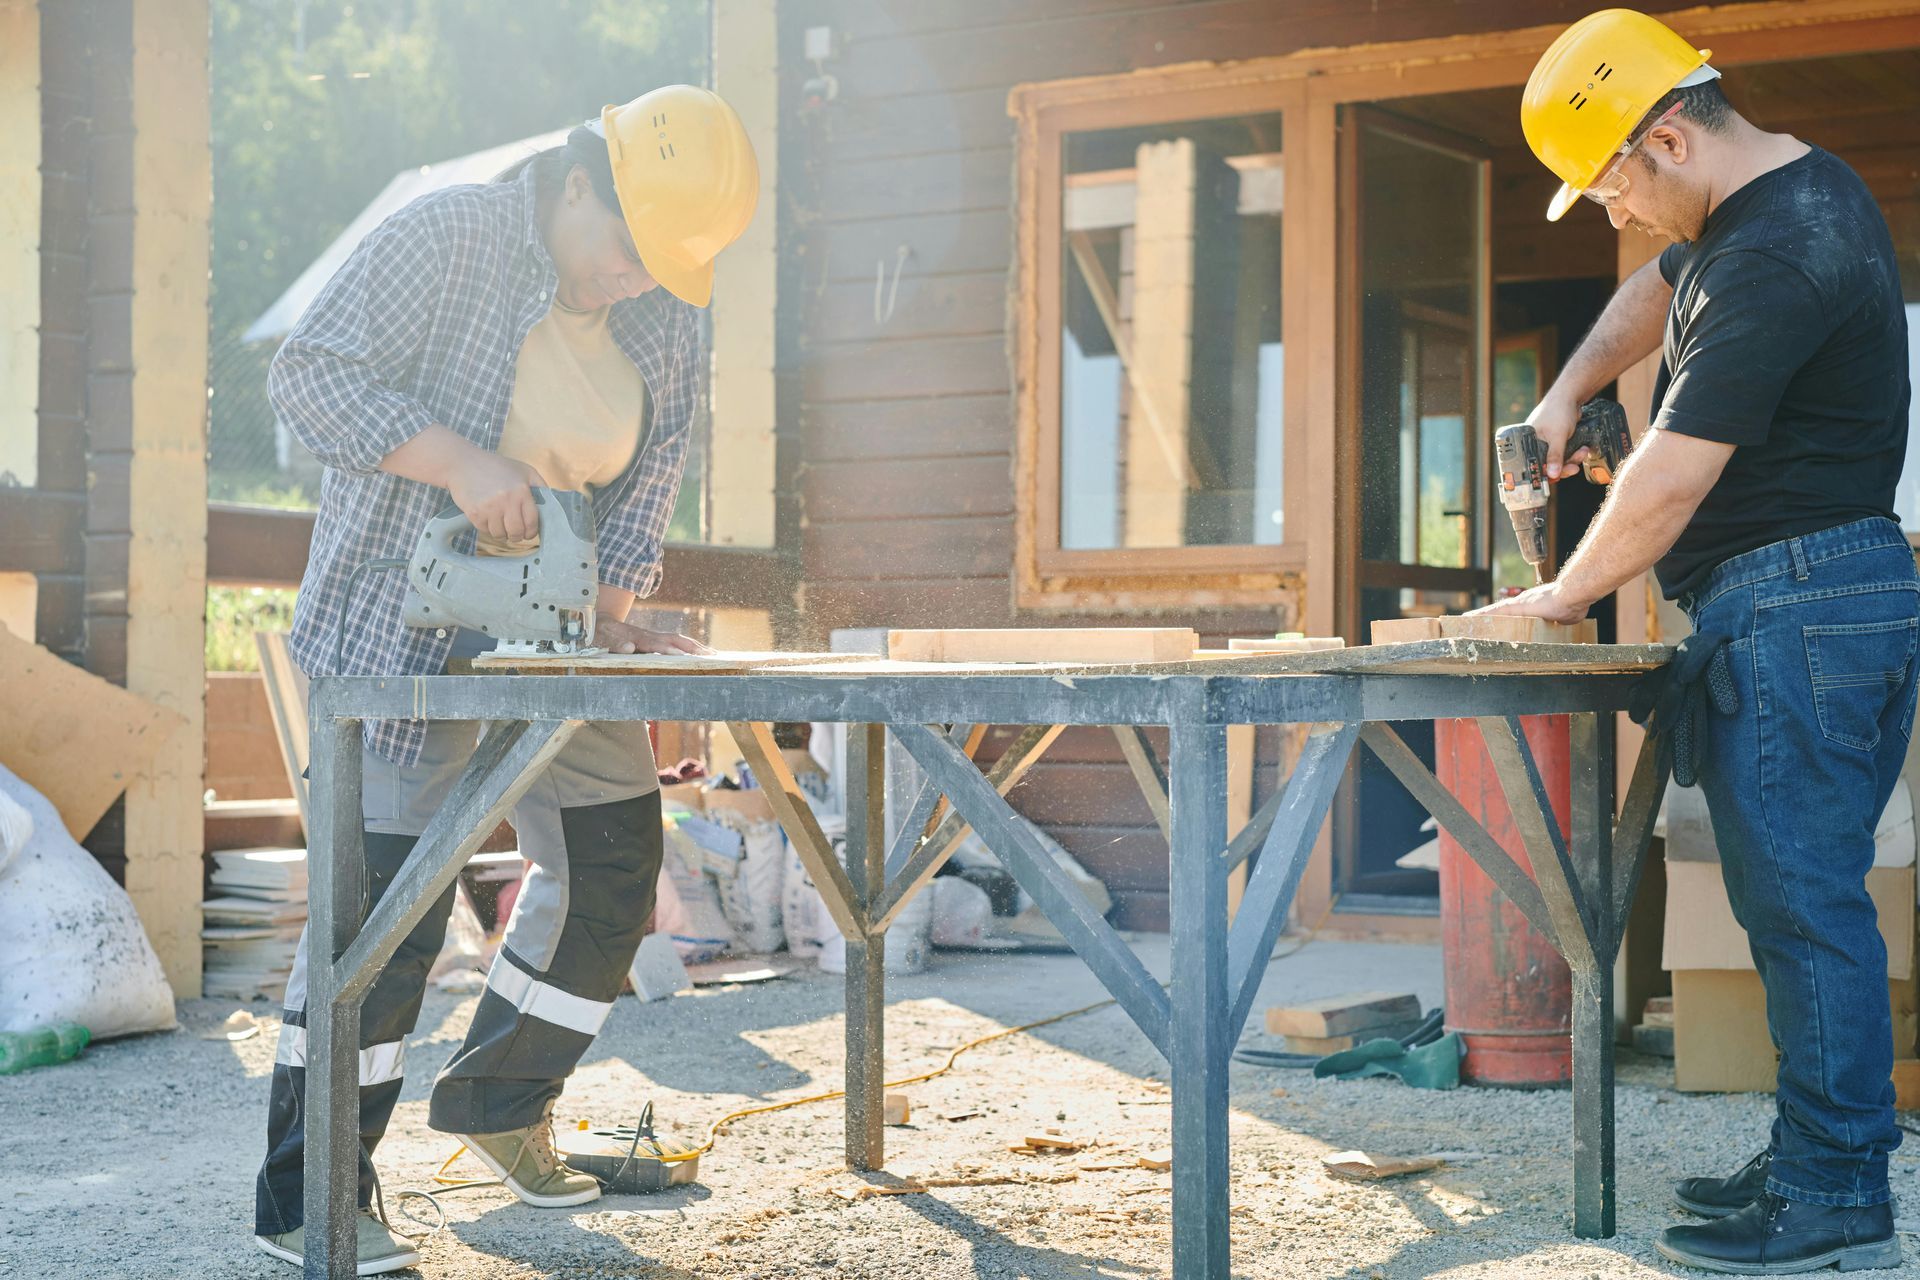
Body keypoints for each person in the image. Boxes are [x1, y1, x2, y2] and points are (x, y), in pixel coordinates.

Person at [250, 85, 758, 1274]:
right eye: (625, 248)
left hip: (557, 640)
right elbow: (309, 378)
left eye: (658, 266)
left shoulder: (664, 317)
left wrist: (620, 622)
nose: (633, 277)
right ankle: (306, 1192)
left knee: (615, 866)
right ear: (579, 182)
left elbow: (642, 493)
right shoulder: (449, 235)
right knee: (383, 921)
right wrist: (461, 461)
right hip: (399, 630)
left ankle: (497, 1099)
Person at [1484, 9, 1914, 1273]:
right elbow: (1647, 295)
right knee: (1800, 899)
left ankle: (1837, 1190)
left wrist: (1556, 596)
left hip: (1799, 601)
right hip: (1812, 595)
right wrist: (1563, 395)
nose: (1622, 209)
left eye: (1617, 182)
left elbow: (1667, 478)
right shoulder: (1778, 204)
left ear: (1667, 135)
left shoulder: (1774, 253)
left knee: (1805, 907)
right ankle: (1816, 1155)